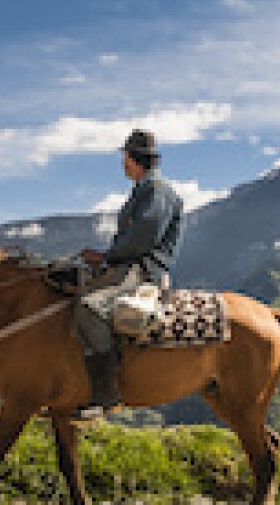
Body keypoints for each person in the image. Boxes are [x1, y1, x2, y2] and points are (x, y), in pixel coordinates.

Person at [73, 128, 184, 419]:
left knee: (88, 307)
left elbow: (143, 236)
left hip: (142, 269)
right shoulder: (145, 188)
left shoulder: (157, 191)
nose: (122, 163)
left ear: (132, 159)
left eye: (124, 157)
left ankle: (107, 392)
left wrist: (106, 256)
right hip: (130, 264)